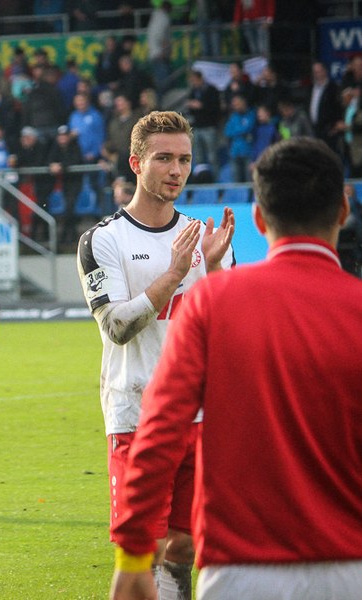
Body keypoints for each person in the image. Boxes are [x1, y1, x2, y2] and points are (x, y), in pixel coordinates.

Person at [109, 136, 362, 599]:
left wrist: (133, 553)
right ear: (344, 211)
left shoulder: (214, 300)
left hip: (242, 570)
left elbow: (162, 425)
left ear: (259, 219)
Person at [77, 111, 235, 600]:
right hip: (135, 415)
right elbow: (116, 326)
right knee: (144, 549)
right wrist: (174, 274)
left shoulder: (205, 237)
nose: (176, 170)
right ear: (136, 163)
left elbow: (229, 330)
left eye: (184, 159)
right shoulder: (103, 240)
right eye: (164, 158)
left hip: (200, 415)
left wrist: (213, 270)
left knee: (186, 543)